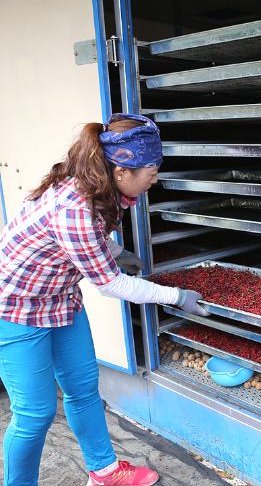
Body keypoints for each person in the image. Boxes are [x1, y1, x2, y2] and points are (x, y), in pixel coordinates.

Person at [0, 113, 209, 486]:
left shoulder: (96, 187)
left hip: (61, 300)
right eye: (152, 169)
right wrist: (176, 297)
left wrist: (115, 251)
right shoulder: (74, 208)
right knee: (34, 413)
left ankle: (105, 472)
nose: (156, 177)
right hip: (14, 310)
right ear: (122, 169)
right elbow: (112, 285)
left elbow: (92, 238)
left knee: (82, 389)